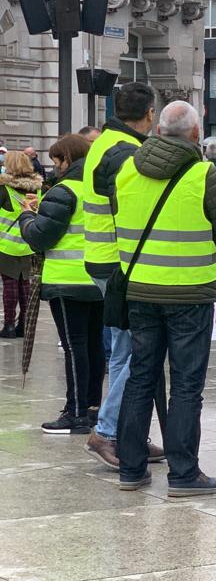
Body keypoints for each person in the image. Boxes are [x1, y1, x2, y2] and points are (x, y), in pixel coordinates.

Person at [113, 101, 216, 496]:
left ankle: (131, 468)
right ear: (195, 135)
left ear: (157, 132)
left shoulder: (127, 171)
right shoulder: (204, 174)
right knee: (186, 384)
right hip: (190, 293)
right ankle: (184, 473)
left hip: (139, 289)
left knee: (141, 377)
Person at [81, 82, 159, 467]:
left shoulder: (105, 140)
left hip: (102, 258)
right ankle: (108, 431)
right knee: (138, 354)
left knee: (122, 352)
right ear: (150, 114)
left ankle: (131, 432)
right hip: (118, 263)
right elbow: (133, 208)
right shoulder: (126, 153)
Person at [18, 135, 105, 433]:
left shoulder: (63, 191)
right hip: (98, 279)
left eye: (56, 161)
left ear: (68, 159)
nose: (54, 168)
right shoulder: (97, 189)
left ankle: (76, 411)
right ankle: (93, 407)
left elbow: (40, 236)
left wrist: (28, 215)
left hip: (68, 281)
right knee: (94, 346)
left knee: (74, 346)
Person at [0, 150, 42, 338]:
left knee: (9, 285)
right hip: (28, 242)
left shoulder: (4, 189)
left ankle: (9, 325)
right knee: (25, 285)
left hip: (6, 245)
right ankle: (24, 325)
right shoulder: (37, 189)